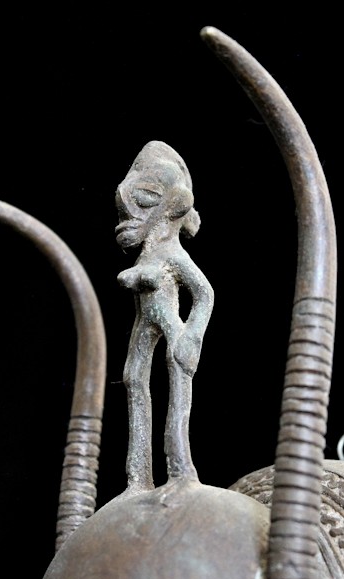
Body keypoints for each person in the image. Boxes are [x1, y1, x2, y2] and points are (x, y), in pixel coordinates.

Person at [115, 140, 214, 495]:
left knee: (176, 379)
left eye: (144, 200)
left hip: (173, 328)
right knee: (133, 379)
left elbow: (204, 293)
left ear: (173, 205)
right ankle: (137, 478)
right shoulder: (150, 255)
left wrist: (193, 335)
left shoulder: (173, 253)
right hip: (145, 326)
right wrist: (139, 276)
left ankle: (180, 469)